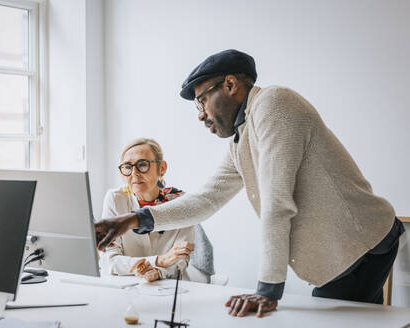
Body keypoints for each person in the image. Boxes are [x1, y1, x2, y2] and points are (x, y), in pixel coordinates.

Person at [95, 50, 404, 318]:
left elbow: (276, 201)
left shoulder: (274, 104)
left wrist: (268, 289)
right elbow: (207, 200)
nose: (200, 115)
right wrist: (135, 219)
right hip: (344, 249)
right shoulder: (243, 138)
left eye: (203, 99)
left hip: (361, 243)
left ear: (230, 85)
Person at [99, 138, 214, 283]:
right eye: (127, 167)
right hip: (127, 285)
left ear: (162, 168)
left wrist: (158, 271)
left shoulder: (181, 202)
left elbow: (180, 259)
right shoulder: (115, 199)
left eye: (142, 165)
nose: (134, 173)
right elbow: (109, 261)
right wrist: (160, 261)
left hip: (171, 287)